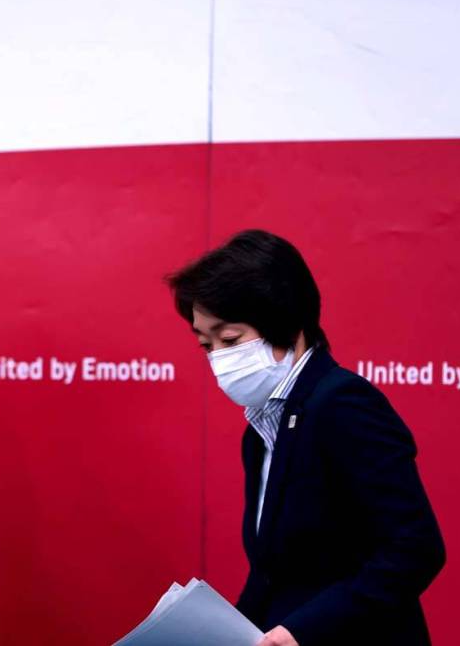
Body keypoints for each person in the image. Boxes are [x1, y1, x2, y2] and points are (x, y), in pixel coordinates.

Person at [166, 230, 445, 646]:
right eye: (207, 346)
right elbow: (273, 575)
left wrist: (302, 629)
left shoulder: (343, 403)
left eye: (230, 340)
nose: (219, 360)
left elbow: (414, 549)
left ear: (285, 322)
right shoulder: (260, 428)